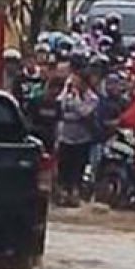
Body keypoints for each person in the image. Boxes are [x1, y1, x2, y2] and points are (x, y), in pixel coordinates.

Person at [55, 71, 99, 207]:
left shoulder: (92, 98)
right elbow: (59, 104)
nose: (74, 84)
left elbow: (84, 112)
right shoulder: (67, 93)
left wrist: (76, 99)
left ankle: (76, 194)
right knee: (64, 169)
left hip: (82, 139)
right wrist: (66, 91)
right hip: (65, 137)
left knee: (77, 169)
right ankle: (64, 194)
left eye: (77, 81)